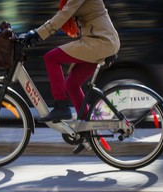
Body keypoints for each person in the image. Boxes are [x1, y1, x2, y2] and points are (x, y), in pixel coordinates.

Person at [25, 0, 120, 153]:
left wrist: (38, 33)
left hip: (100, 42)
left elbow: (65, 13)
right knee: (71, 84)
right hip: (97, 40)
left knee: (51, 58)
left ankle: (61, 106)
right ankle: (86, 133)